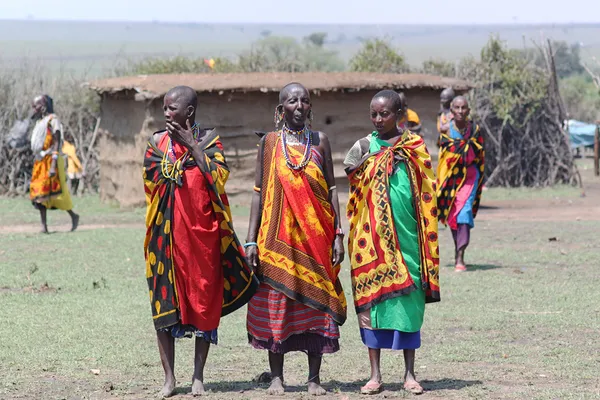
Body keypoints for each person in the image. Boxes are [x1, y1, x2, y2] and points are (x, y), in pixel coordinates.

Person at [142, 86, 258, 397]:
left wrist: (191, 146)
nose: (166, 113)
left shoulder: (208, 141)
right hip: (165, 240)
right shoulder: (156, 143)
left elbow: (218, 178)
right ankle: (169, 380)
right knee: (164, 304)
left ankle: (198, 377)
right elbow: (150, 183)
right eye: (164, 108)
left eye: (171, 108)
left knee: (205, 303)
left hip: (203, 238)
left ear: (188, 111)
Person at [245, 82, 347, 396]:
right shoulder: (270, 143)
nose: (299, 106)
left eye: (304, 100)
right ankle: (277, 377)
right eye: (292, 101)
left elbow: (331, 190)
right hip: (275, 240)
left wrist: (338, 235)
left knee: (318, 307)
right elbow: (259, 194)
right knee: (277, 303)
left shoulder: (321, 142)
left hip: (316, 240)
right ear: (281, 110)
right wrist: (250, 241)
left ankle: (314, 379)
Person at [344, 90, 440, 396]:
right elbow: (352, 176)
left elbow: (427, 186)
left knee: (407, 306)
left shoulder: (415, 146)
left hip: (408, 237)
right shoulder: (363, 145)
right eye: (373, 113)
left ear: (398, 114)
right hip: (370, 242)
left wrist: (402, 163)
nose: (377, 119)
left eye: (384, 113)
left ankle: (410, 374)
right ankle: (375, 375)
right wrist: (371, 165)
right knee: (373, 307)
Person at [436, 96, 485, 272]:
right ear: (451, 110)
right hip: (451, 178)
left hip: (470, 177)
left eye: (464, 108)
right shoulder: (445, 130)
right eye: (457, 108)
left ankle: (460, 257)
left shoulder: (475, 130)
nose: (460, 111)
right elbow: (443, 155)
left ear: (468, 111)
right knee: (453, 216)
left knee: (464, 213)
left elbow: (480, 153)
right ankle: (458, 248)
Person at [29, 95, 79, 233]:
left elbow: (57, 142)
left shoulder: (53, 120)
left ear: (43, 106)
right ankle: (44, 227)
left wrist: (53, 165)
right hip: (40, 161)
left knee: (53, 193)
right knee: (38, 193)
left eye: (36, 106)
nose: (34, 109)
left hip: (51, 160)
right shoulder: (40, 122)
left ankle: (73, 216)